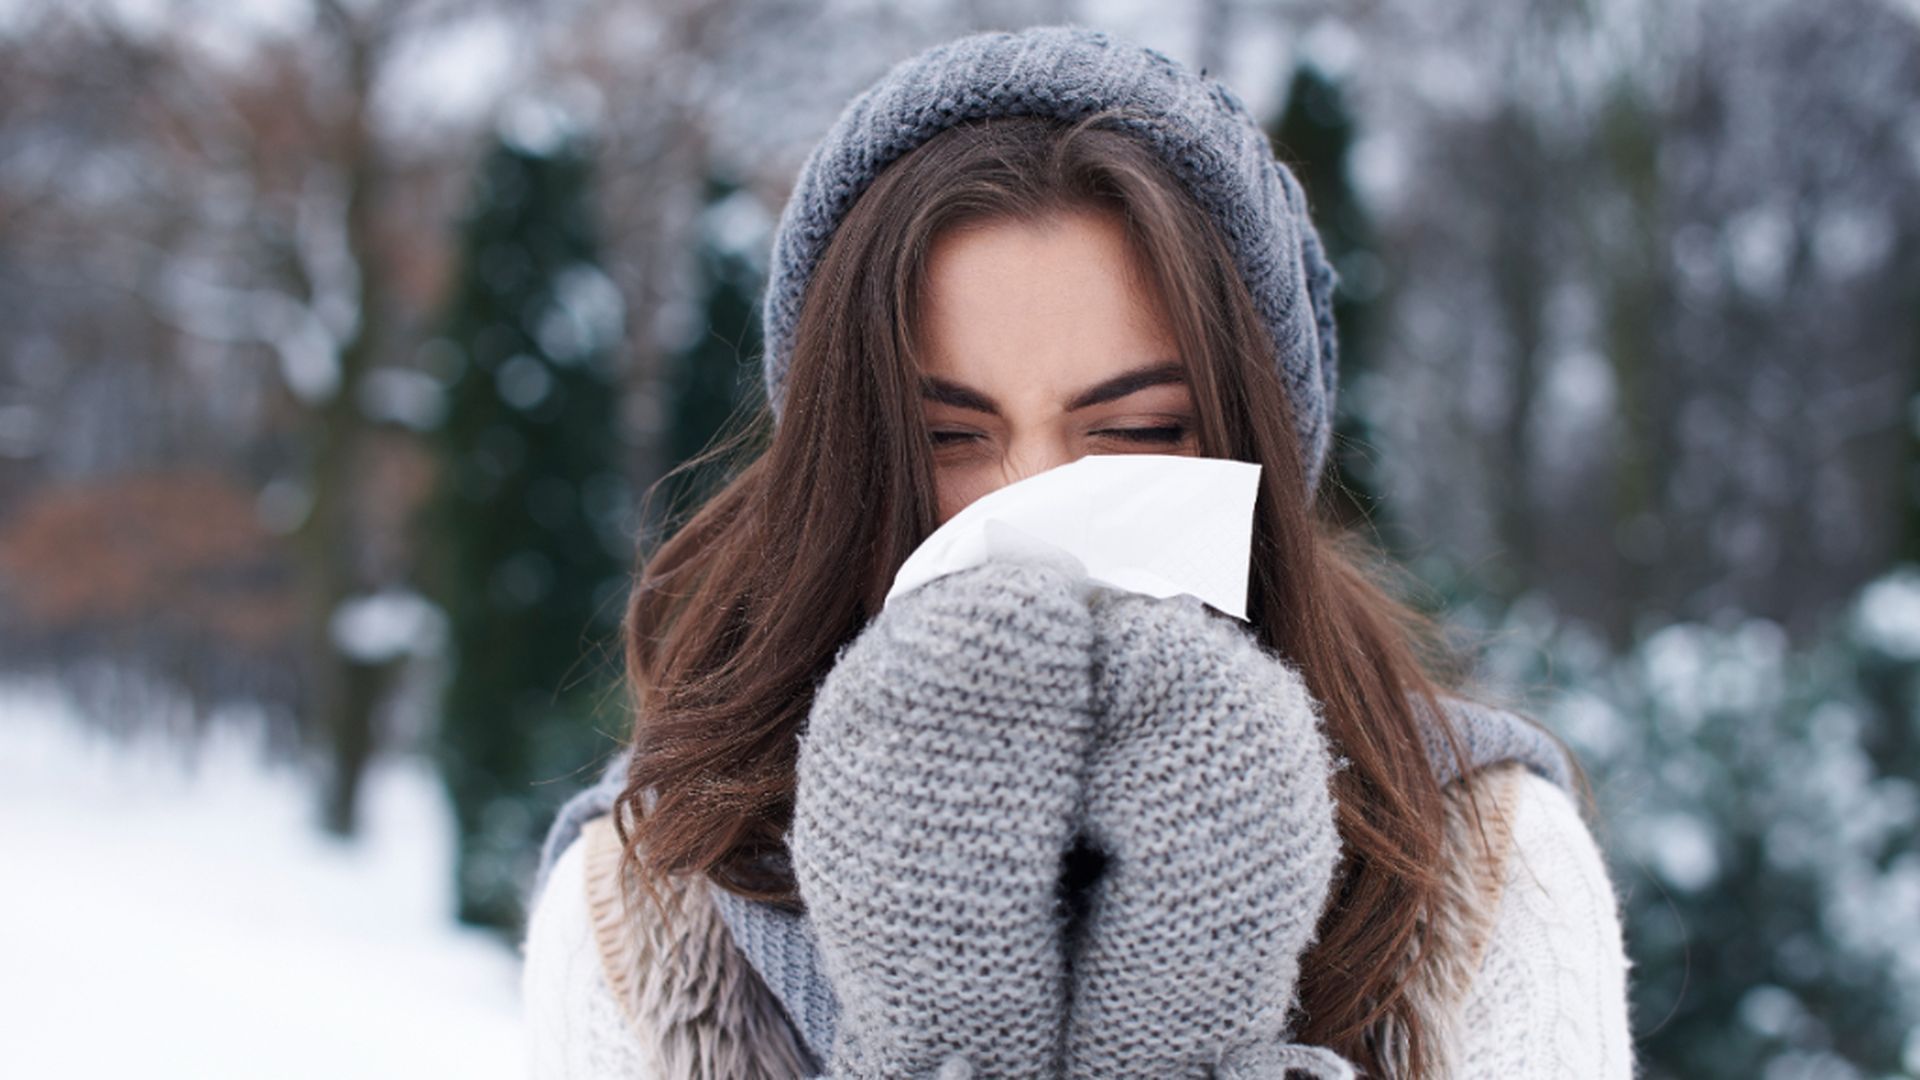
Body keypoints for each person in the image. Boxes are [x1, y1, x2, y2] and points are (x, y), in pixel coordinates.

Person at [520, 24, 1635, 1080]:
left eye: (1141, 430)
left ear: (1255, 440)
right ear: (843, 462)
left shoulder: (1484, 868)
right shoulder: (644, 903)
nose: (1037, 507)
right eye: (946, 439)